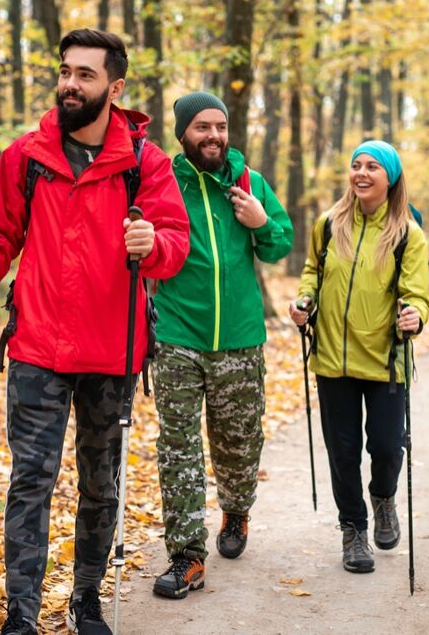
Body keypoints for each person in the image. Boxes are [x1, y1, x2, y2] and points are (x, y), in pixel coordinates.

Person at [0, 29, 189, 635]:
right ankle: (21, 612)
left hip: (114, 349)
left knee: (101, 485)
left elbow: (175, 243)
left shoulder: (144, 164)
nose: (70, 84)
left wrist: (152, 245)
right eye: (65, 71)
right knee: (31, 479)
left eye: (85, 75)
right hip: (38, 348)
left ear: (115, 86)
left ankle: (86, 600)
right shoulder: (27, 155)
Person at [150, 91, 293, 599]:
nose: (213, 135)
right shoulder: (162, 182)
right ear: (183, 133)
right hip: (175, 335)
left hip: (239, 339)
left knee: (237, 445)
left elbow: (280, 244)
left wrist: (261, 220)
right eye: (202, 127)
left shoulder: (246, 180)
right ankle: (187, 556)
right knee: (178, 448)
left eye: (220, 127)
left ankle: (237, 509)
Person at [288, 140, 429, 575]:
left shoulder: (408, 233)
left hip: (385, 360)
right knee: (343, 452)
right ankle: (353, 530)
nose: (362, 173)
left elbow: (418, 295)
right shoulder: (329, 225)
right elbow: (312, 270)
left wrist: (415, 316)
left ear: (390, 178)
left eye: (372, 166)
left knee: (387, 447)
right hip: (332, 358)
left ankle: (384, 496)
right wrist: (304, 299)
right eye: (356, 165)